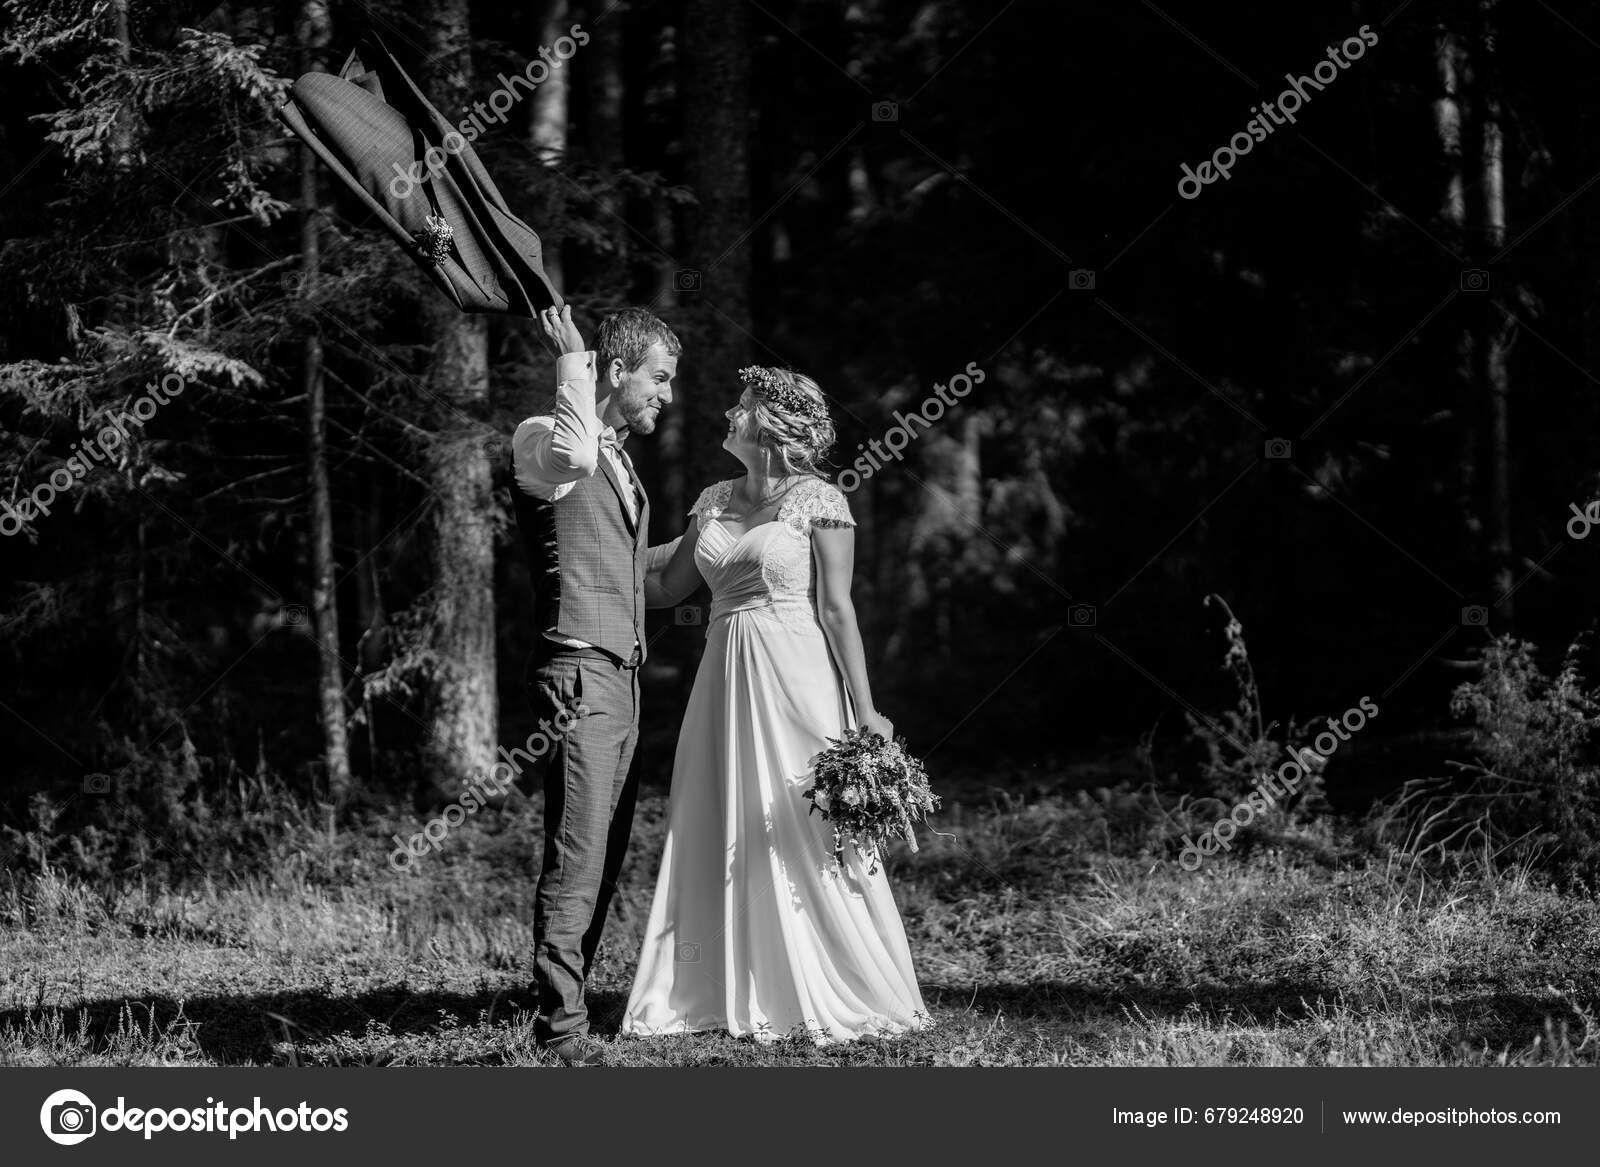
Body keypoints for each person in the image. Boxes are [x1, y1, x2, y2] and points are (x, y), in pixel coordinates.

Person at [622, 365, 929, 1045]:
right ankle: (719, 981)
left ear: (776, 424)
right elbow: (669, 588)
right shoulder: (713, 498)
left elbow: (838, 609)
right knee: (718, 811)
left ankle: (834, 978)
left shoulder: (820, 499)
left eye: (745, 403)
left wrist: (867, 710)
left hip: (797, 676)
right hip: (724, 674)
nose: (731, 410)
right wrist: (587, 570)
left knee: (800, 820)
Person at [509, 304, 680, 1065]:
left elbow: (629, 570)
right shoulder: (543, 441)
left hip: (624, 674)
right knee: (578, 849)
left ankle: (568, 1000)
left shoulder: (617, 458)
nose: (667, 396)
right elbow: (575, 457)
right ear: (617, 370)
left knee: (607, 850)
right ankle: (560, 1029)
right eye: (660, 378)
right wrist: (571, 358)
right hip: (578, 670)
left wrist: (724, 532)